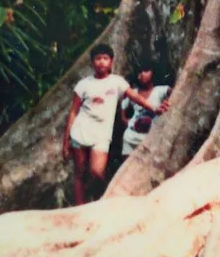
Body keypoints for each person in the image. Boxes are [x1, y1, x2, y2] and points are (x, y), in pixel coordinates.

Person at [62, 44, 168, 205]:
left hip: (102, 134)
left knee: (97, 172)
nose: (101, 62)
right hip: (81, 130)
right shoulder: (83, 84)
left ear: (111, 62)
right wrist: (66, 141)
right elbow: (73, 112)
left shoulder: (117, 82)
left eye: (105, 58)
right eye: (98, 58)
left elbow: (135, 97)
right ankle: (79, 208)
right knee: (79, 173)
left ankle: (104, 201)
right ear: (92, 62)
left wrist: (155, 108)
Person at [120, 64, 171, 158]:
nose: (142, 74)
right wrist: (127, 122)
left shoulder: (160, 90)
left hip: (150, 138)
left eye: (146, 71)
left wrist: (167, 102)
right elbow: (123, 108)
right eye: (140, 72)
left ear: (153, 73)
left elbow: (175, 93)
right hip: (130, 137)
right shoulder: (133, 92)